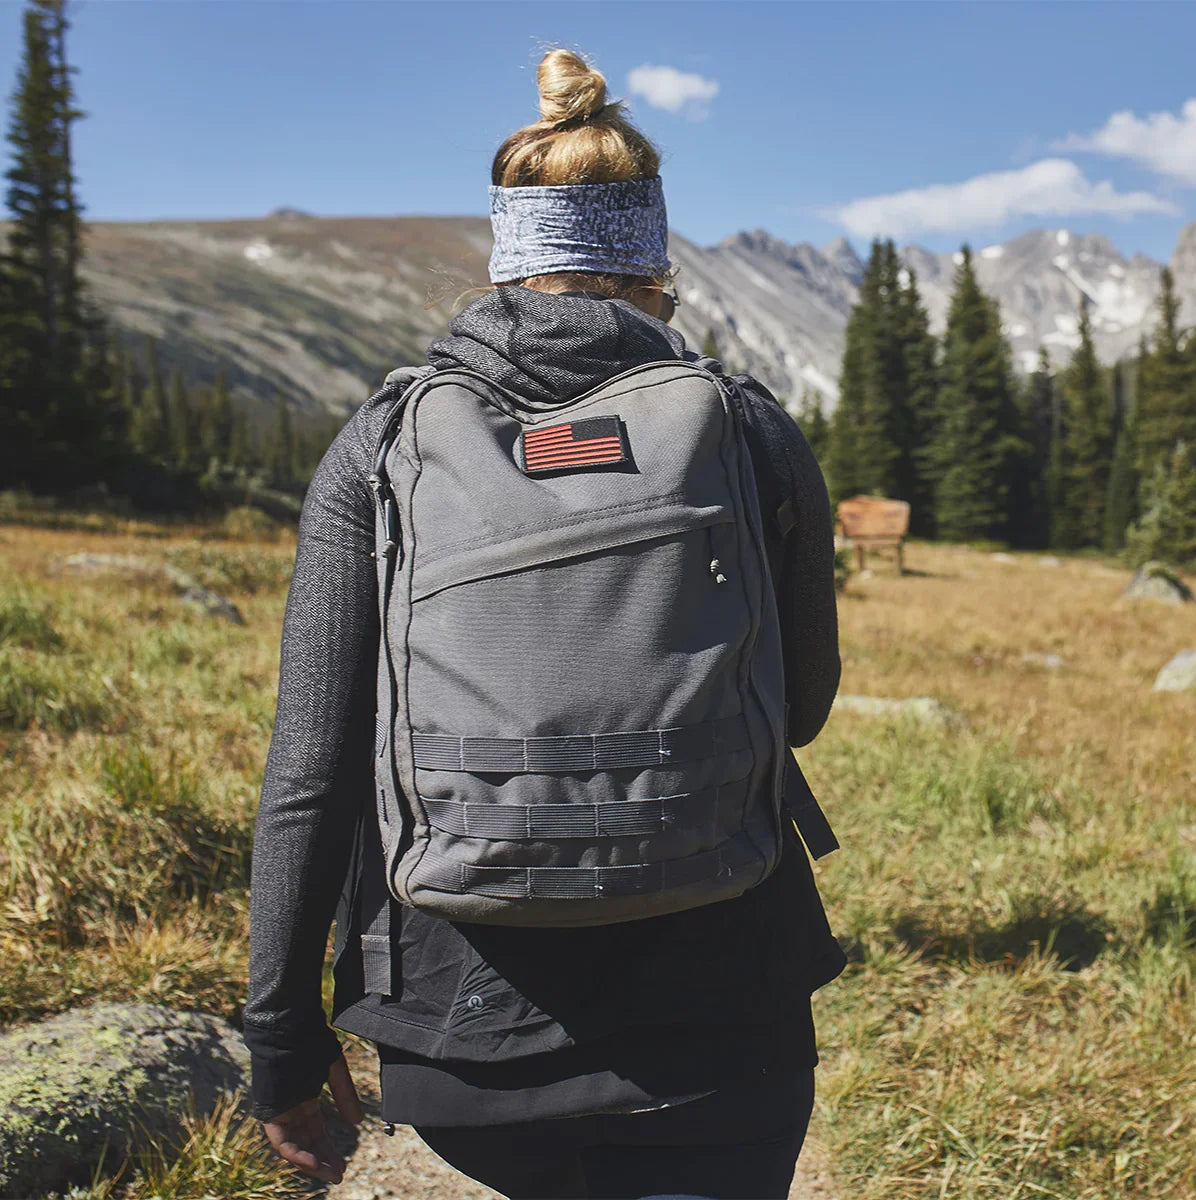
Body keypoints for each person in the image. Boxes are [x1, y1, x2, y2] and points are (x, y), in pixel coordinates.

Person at [243, 48, 844, 1200]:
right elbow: (802, 711)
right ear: (653, 260)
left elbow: (310, 775)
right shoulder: (748, 428)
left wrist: (281, 1036)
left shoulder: (381, 445)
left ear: (508, 263)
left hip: (458, 1040)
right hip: (727, 1031)